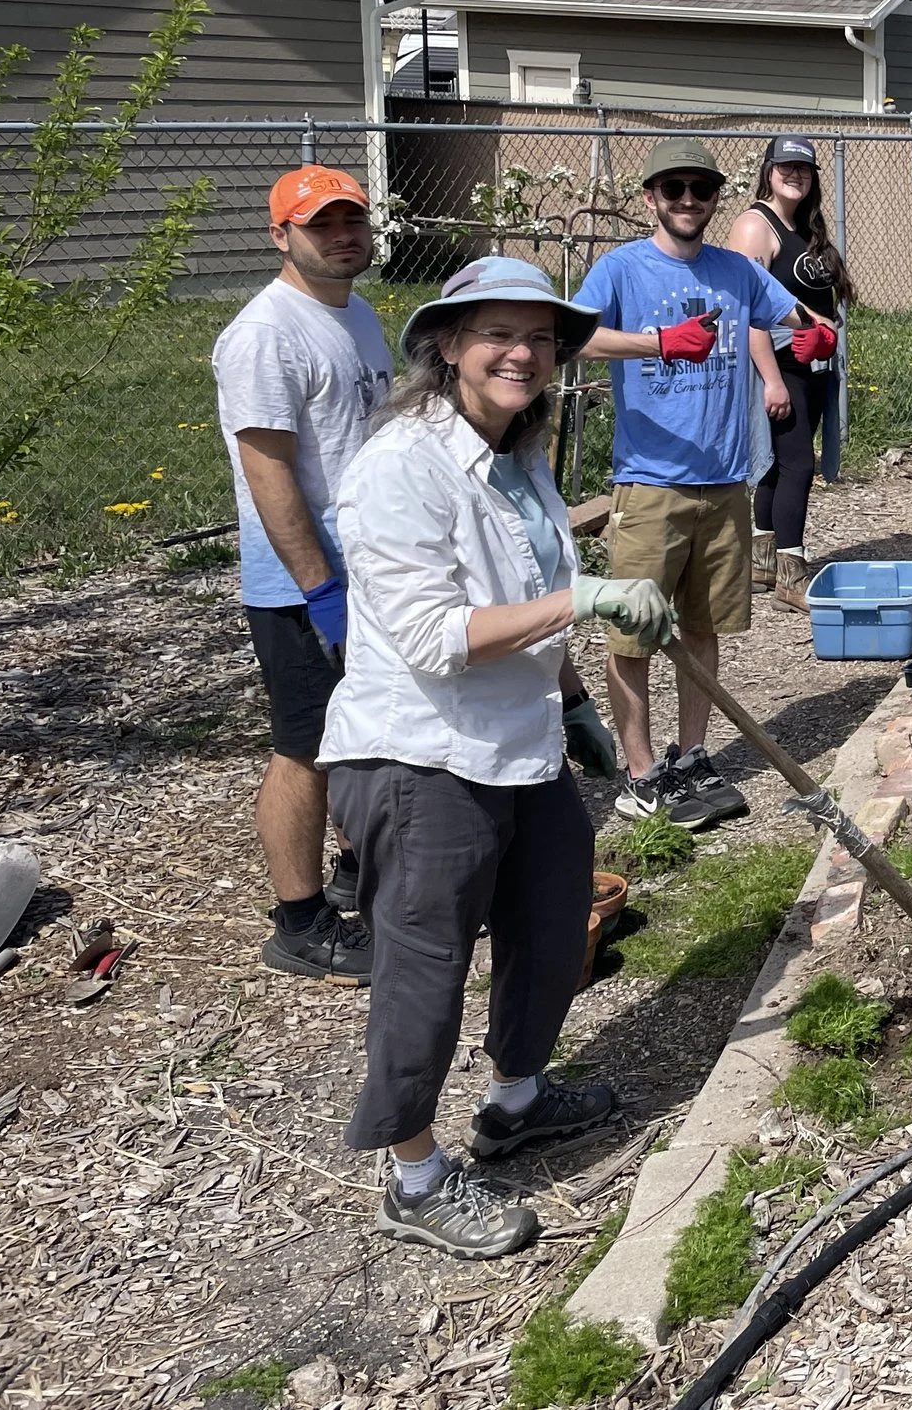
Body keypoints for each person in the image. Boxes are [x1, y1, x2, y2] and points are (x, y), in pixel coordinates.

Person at [317, 255, 671, 1258]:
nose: (522, 352)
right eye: (497, 334)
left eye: (541, 337)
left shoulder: (519, 453)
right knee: (425, 974)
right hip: (421, 758)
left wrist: (570, 702)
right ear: (446, 346)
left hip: (519, 746)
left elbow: (526, 579)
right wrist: (588, 600)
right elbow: (435, 637)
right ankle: (415, 1177)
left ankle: (516, 1098)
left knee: (554, 925)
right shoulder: (398, 467)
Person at [576, 137, 802, 828]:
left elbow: (792, 316)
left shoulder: (735, 272)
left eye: (699, 190)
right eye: (672, 189)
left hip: (725, 481)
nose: (686, 201)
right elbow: (575, 336)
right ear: (650, 197)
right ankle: (640, 773)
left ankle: (694, 753)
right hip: (650, 483)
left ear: (713, 200)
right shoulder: (623, 270)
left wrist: (812, 335)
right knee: (633, 632)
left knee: (704, 627)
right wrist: (660, 342)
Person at [210, 164, 390, 984]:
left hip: (370, 566)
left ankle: (356, 870)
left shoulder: (358, 317)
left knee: (361, 731)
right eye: (322, 224)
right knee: (305, 747)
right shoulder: (265, 332)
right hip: (300, 583)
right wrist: (322, 591)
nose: (343, 235)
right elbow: (270, 474)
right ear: (280, 233)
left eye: (352, 220)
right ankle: (300, 918)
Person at [722, 134, 853, 611]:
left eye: (804, 169)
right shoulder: (756, 226)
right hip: (778, 363)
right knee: (799, 464)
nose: (794, 175)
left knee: (780, 465)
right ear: (768, 171)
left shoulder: (801, 226)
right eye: (786, 167)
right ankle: (791, 575)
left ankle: (761, 561)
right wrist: (771, 379)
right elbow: (745, 308)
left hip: (812, 361)